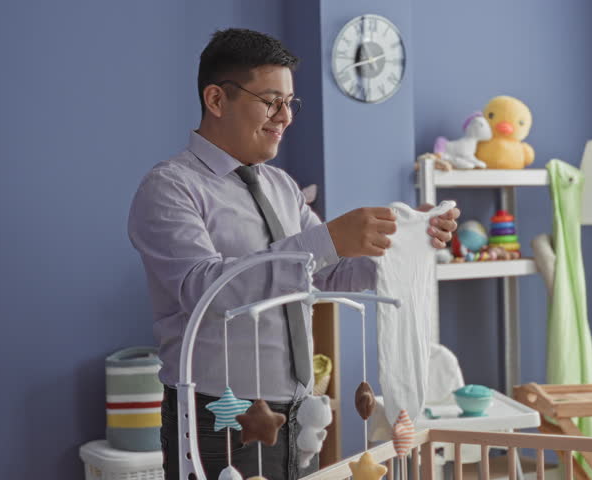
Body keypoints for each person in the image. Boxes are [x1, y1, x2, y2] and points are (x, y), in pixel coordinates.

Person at [127, 28, 460, 480]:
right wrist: (329, 239)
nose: (285, 117)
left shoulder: (280, 186)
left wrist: (401, 242)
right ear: (216, 100)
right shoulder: (170, 188)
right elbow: (204, 289)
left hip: (298, 413)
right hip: (220, 415)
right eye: (271, 101)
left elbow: (326, 274)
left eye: (289, 103)